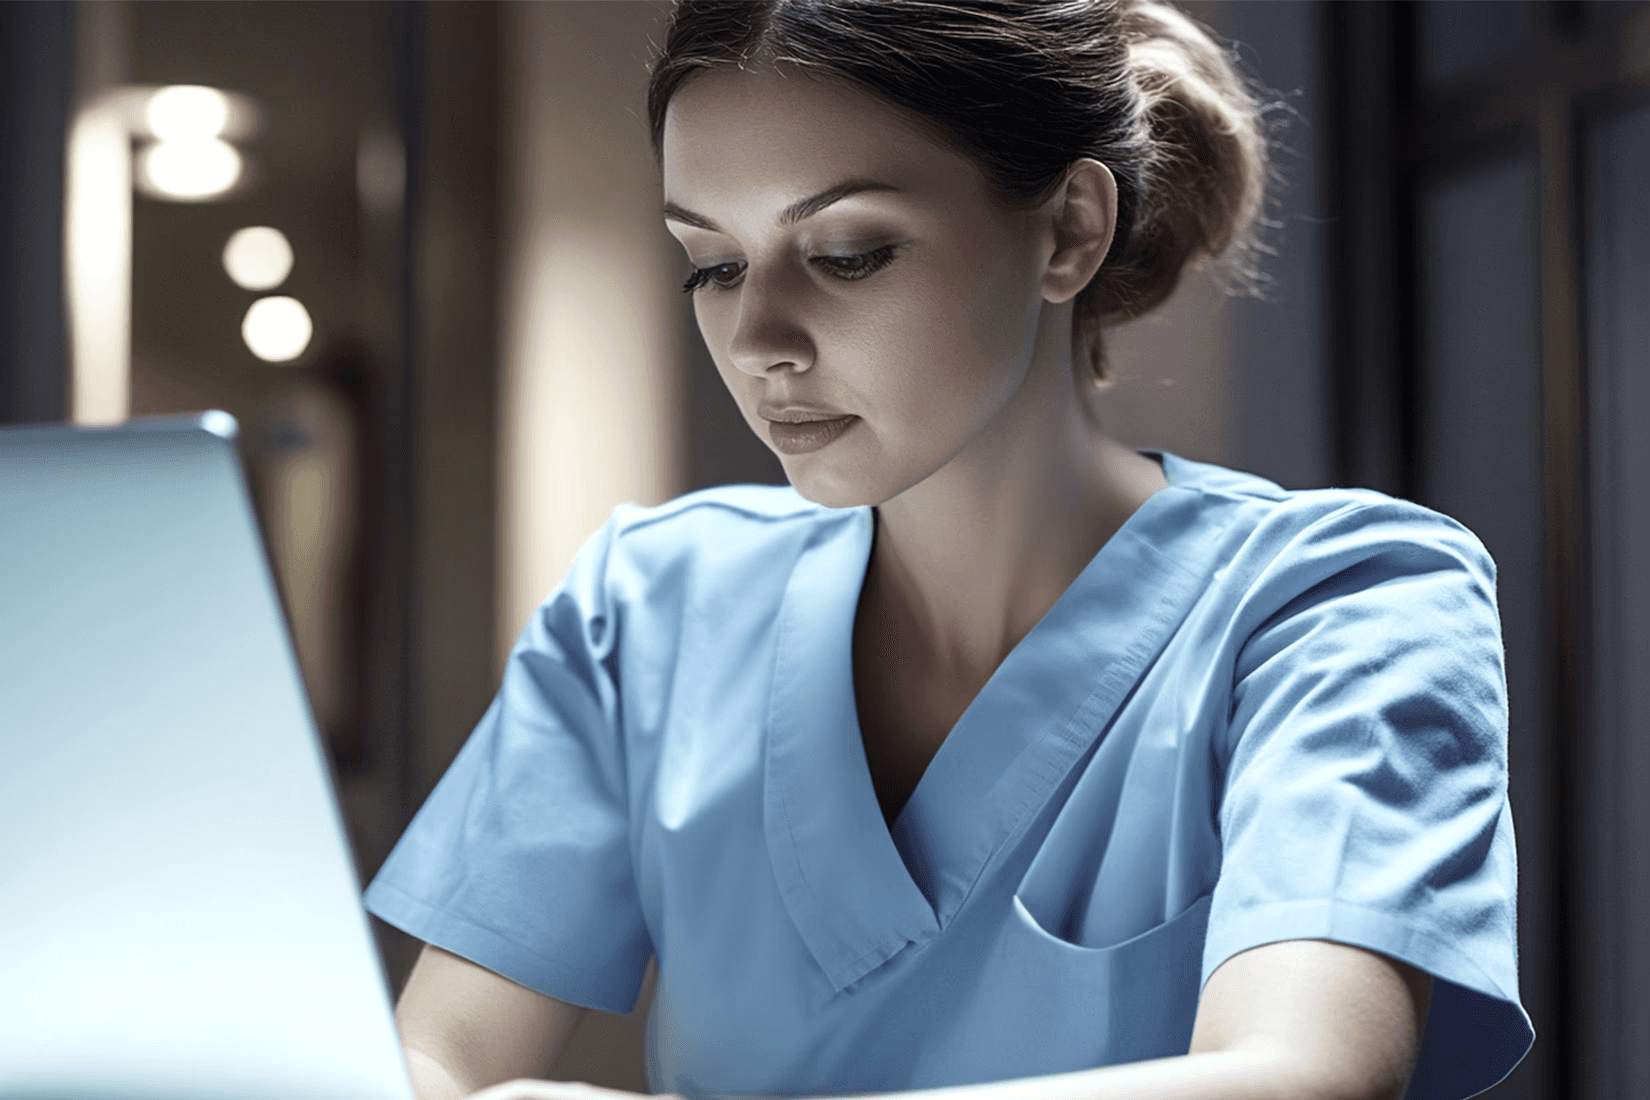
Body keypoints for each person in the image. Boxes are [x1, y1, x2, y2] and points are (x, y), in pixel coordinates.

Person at [365, 2, 1534, 1099]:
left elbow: (1300, 1076)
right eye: (713, 264)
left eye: (849, 252)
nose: (758, 338)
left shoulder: (1341, 604)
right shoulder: (649, 606)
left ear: (1068, 231)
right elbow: (430, 1058)